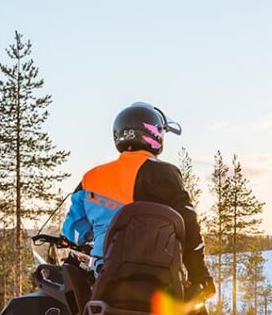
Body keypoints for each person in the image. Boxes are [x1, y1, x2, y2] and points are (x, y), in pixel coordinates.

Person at [62, 102, 214, 300]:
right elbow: (189, 228)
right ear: (154, 133)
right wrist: (200, 276)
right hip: (162, 281)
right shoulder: (166, 174)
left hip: (106, 277)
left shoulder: (91, 178)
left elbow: (72, 232)